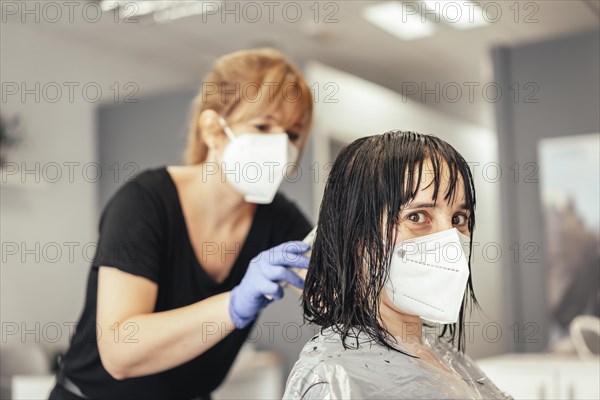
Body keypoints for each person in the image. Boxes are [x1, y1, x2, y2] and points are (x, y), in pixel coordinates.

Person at [49, 48, 314, 400]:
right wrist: (234, 304)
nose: (280, 145)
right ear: (213, 129)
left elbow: (335, 291)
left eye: (293, 134)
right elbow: (120, 352)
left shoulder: (279, 218)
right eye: (262, 125)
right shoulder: (144, 202)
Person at [283, 131, 513, 399]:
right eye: (417, 216)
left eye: (458, 218)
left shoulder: (444, 356)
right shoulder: (332, 377)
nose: (450, 243)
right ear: (357, 236)